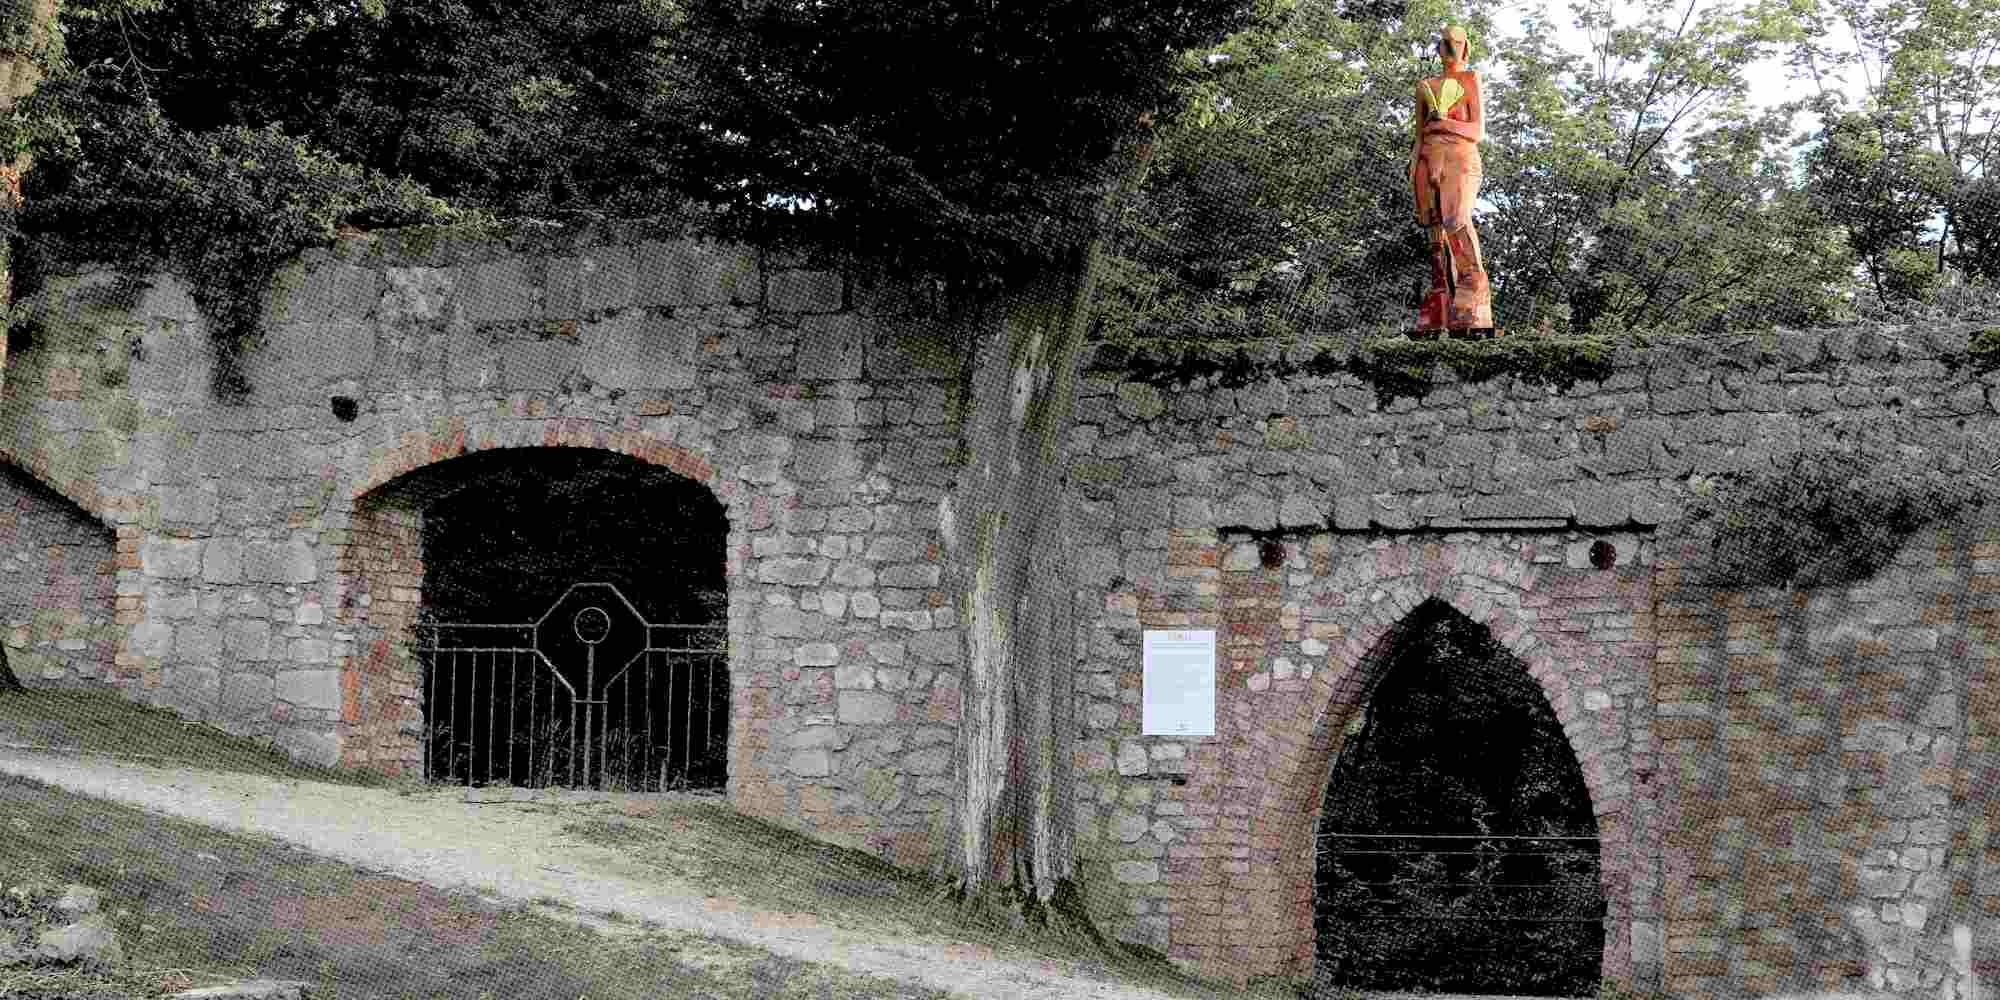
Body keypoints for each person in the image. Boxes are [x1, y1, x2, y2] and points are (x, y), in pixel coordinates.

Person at [1408, 24, 1494, 335]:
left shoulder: (1470, 79)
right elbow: (1418, 136)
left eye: (1456, 42)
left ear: (1465, 47)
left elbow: (1477, 131)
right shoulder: (1425, 85)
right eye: (1445, 42)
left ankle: (1473, 291)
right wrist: (1414, 164)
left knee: (1457, 219)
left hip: (1459, 157)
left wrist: (1445, 123)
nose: (1449, 47)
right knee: (1433, 231)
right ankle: (1440, 297)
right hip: (1427, 158)